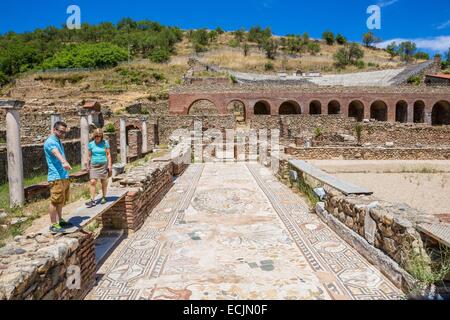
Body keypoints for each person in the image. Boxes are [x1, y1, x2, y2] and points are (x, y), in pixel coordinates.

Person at [44, 121, 73, 233]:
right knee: (55, 201)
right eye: (60, 131)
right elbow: (56, 153)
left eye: (64, 132)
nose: (62, 134)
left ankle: (60, 220)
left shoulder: (58, 141)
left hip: (63, 175)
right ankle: (53, 224)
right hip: (55, 176)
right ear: (54, 129)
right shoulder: (50, 142)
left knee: (61, 200)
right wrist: (64, 162)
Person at [85, 128, 112, 207]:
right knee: (92, 181)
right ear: (94, 136)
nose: (98, 137)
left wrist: (110, 165)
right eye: (96, 136)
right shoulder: (91, 144)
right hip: (94, 165)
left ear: (101, 136)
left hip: (103, 164)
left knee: (104, 182)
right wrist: (87, 165)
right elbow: (89, 156)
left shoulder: (105, 143)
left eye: (99, 136)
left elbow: (108, 154)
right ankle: (92, 200)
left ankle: (104, 197)